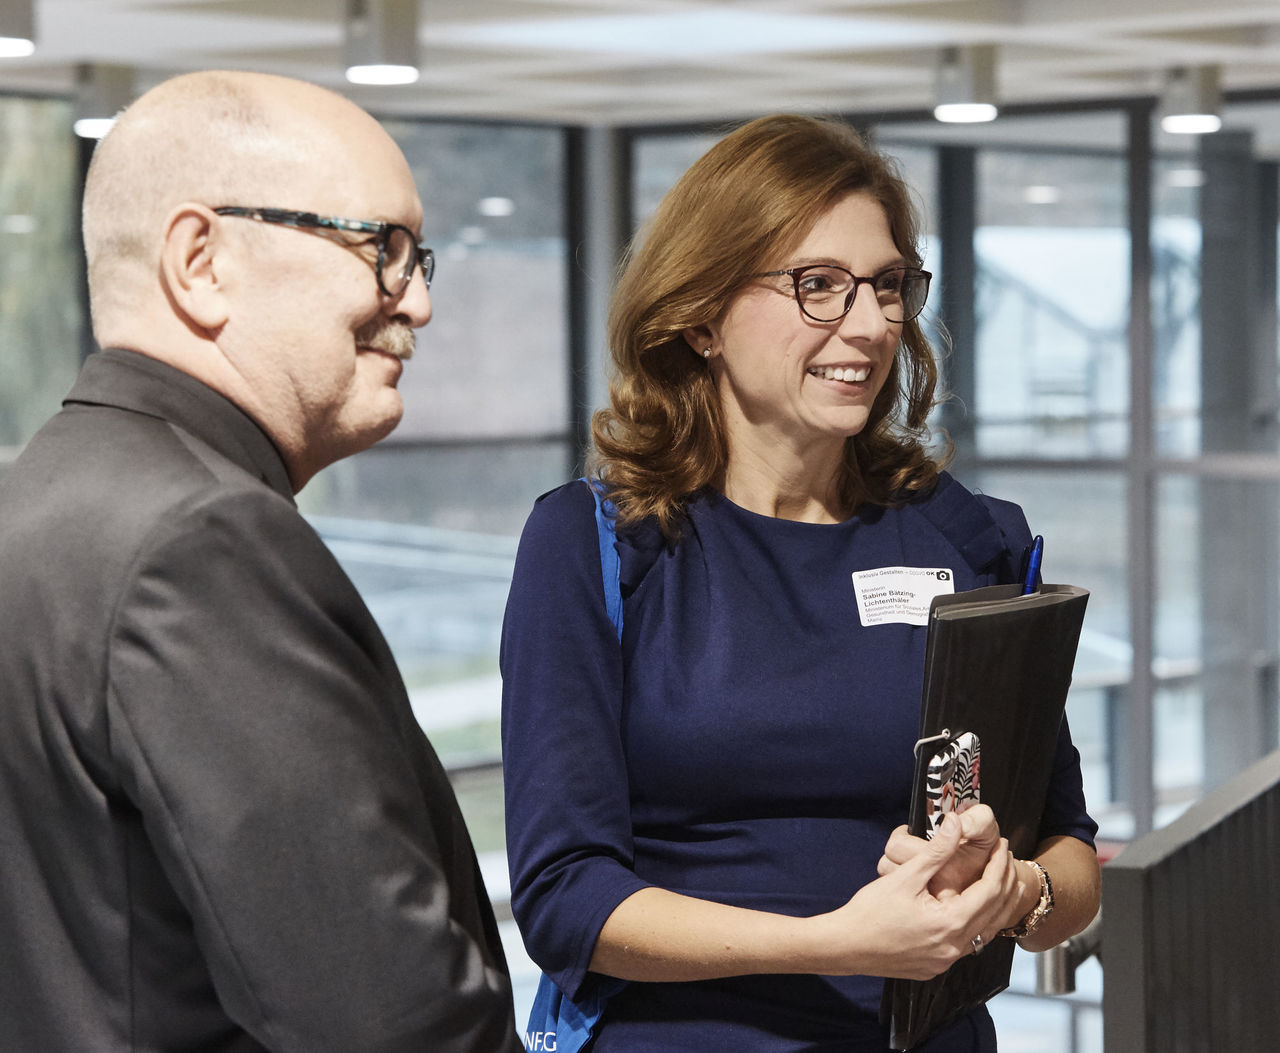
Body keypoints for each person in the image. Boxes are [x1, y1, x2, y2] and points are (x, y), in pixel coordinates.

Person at [500, 114, 1101, 1051]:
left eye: (889, 285)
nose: (869, 324)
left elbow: (1068, 851)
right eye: (817, 286)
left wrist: (1016, 891)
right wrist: (834, 942)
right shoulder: (598, 543)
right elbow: (566, 897)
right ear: (699, 314)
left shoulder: (973, 537)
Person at [0, 70, 521, 1052]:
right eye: (383, 249)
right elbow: (384, 1018)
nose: (417, 304)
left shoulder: (45, 498)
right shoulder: (202, 545)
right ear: (200, 261)